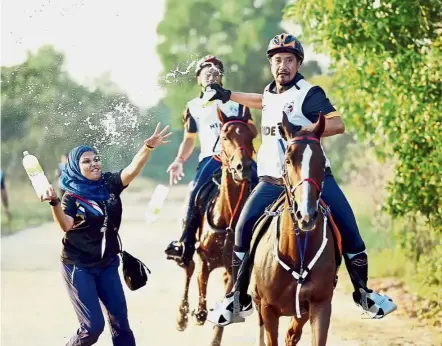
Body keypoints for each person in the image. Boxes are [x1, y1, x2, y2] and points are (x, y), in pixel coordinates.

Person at [206, 33, 397, 325]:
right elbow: (262, 102)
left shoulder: (309, 93)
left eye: (289, 60)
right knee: (242, 229)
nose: (283, 65)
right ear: (271, 64)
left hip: (311, 178)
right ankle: (237, 298)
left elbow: (337, 123)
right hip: (271, 180)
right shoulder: (271, 92)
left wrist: (302, 128)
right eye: (278, 60)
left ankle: (364, 294)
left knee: (350, 229)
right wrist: (227, 94)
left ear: (298, 64)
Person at [42, 123, 171, 346]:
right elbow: (66, 225)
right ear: (75, 166)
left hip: (108, 264)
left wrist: (147, 148)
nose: (94, 164)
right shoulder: (71, 197)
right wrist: (54, 203)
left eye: (96, 159)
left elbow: (132, 169)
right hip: (79, 266)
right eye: (87, 161)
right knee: (92, 328)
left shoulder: (109, 183)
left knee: (121, 324)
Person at [164, 55, 259, 267]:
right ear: (198, 78)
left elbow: (253, 130)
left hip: (239, 156)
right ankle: (185, 245)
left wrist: (238, 126)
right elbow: (190, 139)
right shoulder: (193, 106)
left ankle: (269, 239)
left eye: (216, 69)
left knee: (264, 185)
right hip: (212, 158)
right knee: (195, 192)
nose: (211, 72)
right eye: (205, 70)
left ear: (221, 77)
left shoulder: (238, 102)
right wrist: (179, 160)